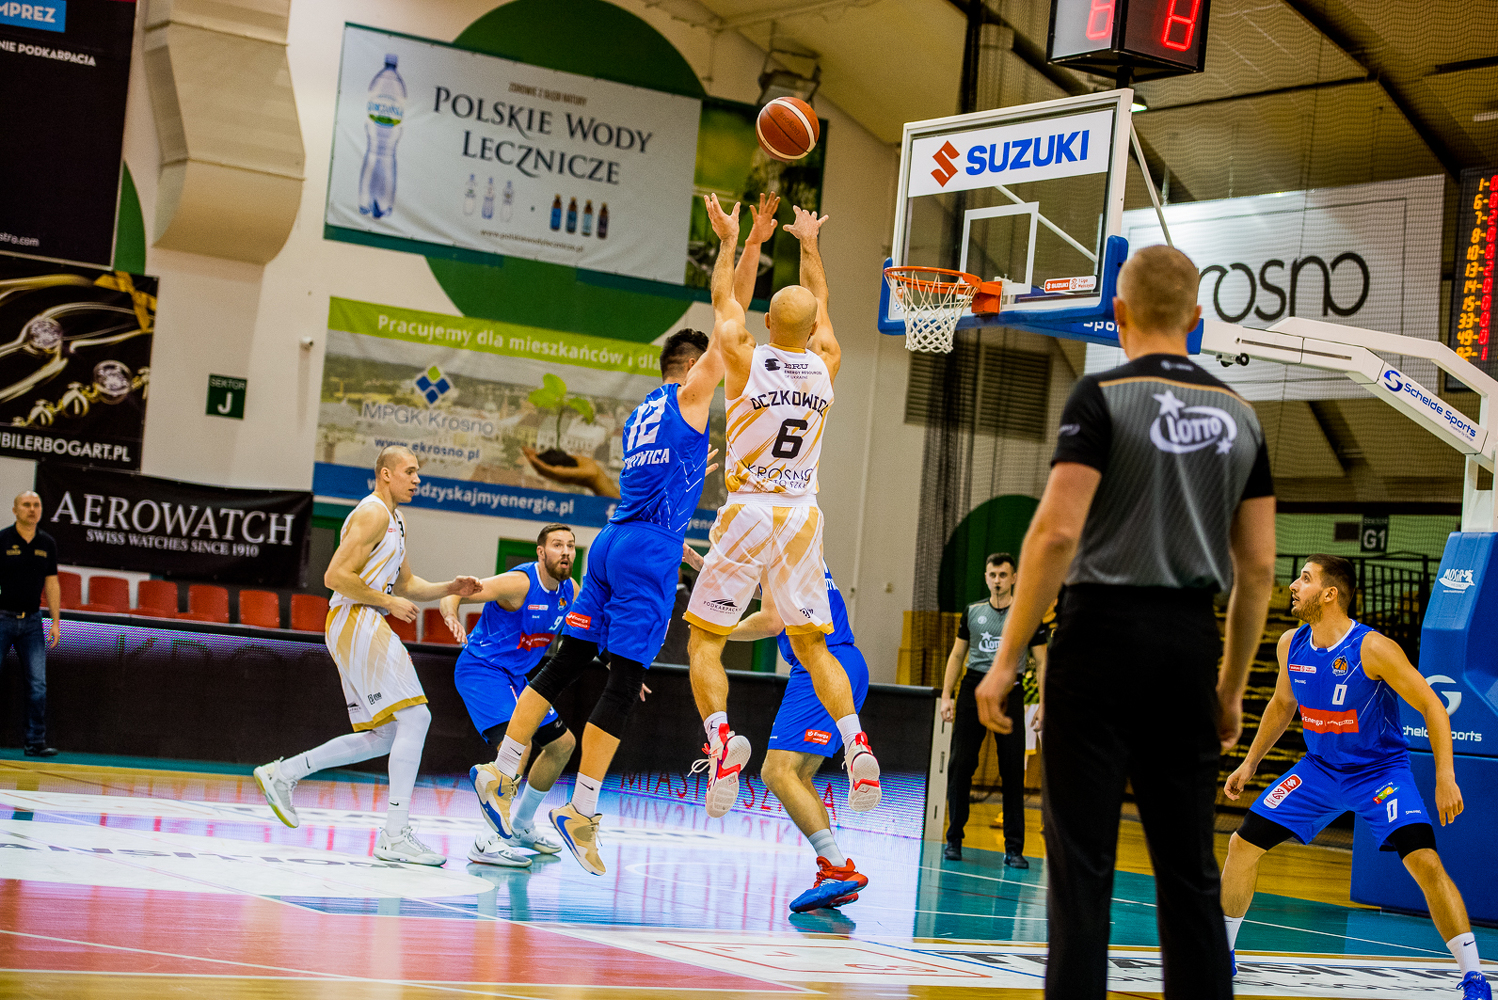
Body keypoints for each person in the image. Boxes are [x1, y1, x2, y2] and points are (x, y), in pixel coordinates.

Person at [975, 244, 1277, 1000]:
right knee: (1189, 871)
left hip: (1099, 641)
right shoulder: (1243, 416)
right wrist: (1229, 688)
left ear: (1118, 314)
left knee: (1081, 868)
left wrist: (1007, 660)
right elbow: (1259, 569)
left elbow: (1054, 534)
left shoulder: (1099, 396)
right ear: (1197, 318)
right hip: (1188, 645)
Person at [471, 289, 724, 877]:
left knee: (565, 663)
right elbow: (729, 322)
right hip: (647, 552)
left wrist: (688, 485)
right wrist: (741, 249)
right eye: (709, 369)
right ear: (691, 369)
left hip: (611, 540)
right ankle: (581, 810)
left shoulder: (643, 412)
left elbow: (655, 483)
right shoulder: (692, 394)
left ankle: (501, 773)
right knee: (626, 680)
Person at [683, 192, 880, 821]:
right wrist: (809, 244)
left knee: (705, 641)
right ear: (812, 329)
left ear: (768, 323)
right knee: (815, 646)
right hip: (801, 514)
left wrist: (734, 241)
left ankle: (721, 743)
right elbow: (821, 305)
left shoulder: (744, 356)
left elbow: (724, 299)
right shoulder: (827, 364)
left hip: (749, 509)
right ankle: (856, 743)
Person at [1221, 555, 1491, 1000]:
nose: (1293, 585)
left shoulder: (1372, 648)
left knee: (1424, 862)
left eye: (1305, 578)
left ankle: (1474, 976)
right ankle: (1223, 952)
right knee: (1241, 844)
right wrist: (1250, 762)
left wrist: (1445, 775)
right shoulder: (1291, 643)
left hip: (1378, 773)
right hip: (1319, 771)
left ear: (1330, 594)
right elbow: (1282, 704)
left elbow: (1432, 705)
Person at [254, 446, 480, 865]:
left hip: (360, 620)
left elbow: (406, 584)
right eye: (409, 471)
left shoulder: (396, 519)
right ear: (386, 474)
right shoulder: (372, 513)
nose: (417, 479)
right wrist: (387, 602)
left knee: (387, 734)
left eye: (417, 472)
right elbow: (334, 576)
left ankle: (283, 773)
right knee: (417, 718)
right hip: (356, 617)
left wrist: (450, 588)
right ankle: (394, 834)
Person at [437, 523, 580, 869]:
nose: (565, 551)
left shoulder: (571, 590)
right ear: (541, 552)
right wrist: (450, 613)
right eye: (557, 544)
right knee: (520, 744)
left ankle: (521, 826)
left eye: (571, 545)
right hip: (482, 670)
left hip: (516, 677)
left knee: (562, 745)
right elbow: (456, 592)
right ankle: (486, 842)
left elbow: (592, 628)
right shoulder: (519, 584)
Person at [728, 565, 870, 913]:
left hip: (819, 665)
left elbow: (771, 621)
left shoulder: (772, 549)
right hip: (847, 662)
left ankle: (836, 869)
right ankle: (835, 870)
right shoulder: (802, 549)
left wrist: (718, 631)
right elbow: (772, 592)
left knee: (776, 772)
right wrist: (705, 567)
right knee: (799, 776)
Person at [939, 552, 1048, 866]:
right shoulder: (973, 612)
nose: (998, 580)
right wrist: (946, 696)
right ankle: (954, 840)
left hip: (1010, 689)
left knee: (1012, 768)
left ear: (1013, 578)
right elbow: (957, 655)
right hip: (973, 687)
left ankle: (1014, 849)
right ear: (986, 578)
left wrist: (1043, 704)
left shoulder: (1027, 613)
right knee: (961, 764)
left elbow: (1042, 661)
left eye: (1003, 575)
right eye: (993, 575)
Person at [1, 491, 61, 757]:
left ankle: (35, 742)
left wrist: (56, 622)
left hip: (33, 622)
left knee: (38, 684)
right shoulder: (2, 539)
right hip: (2, 618)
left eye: (36, 505)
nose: (32, 509)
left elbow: (52, 583)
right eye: (26, 505)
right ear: (15, 510)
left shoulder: (47, 543)